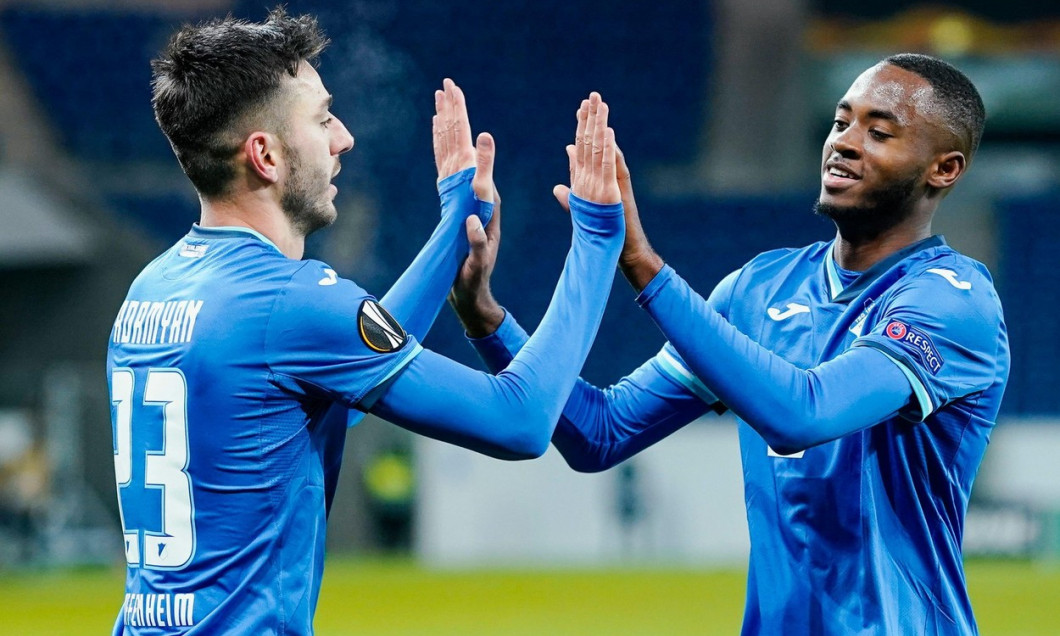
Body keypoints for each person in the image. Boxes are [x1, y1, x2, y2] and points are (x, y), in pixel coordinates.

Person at [107, 7, 624, 634]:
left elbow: (322, 399)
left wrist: (453, 228)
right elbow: (519, 421)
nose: (343, 137)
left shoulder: (152, 289)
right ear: (265, 156)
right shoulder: (289, 302)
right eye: (322, 118)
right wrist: (598, 239)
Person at [450, 53, 1008, 634]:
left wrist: (643, 265)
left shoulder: (953, 301)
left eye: (879, 131)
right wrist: (485, 317)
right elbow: (600, 433)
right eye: (841, 122)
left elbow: (803, 413)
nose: (844, 142)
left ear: (943, 169)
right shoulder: (756, 289)